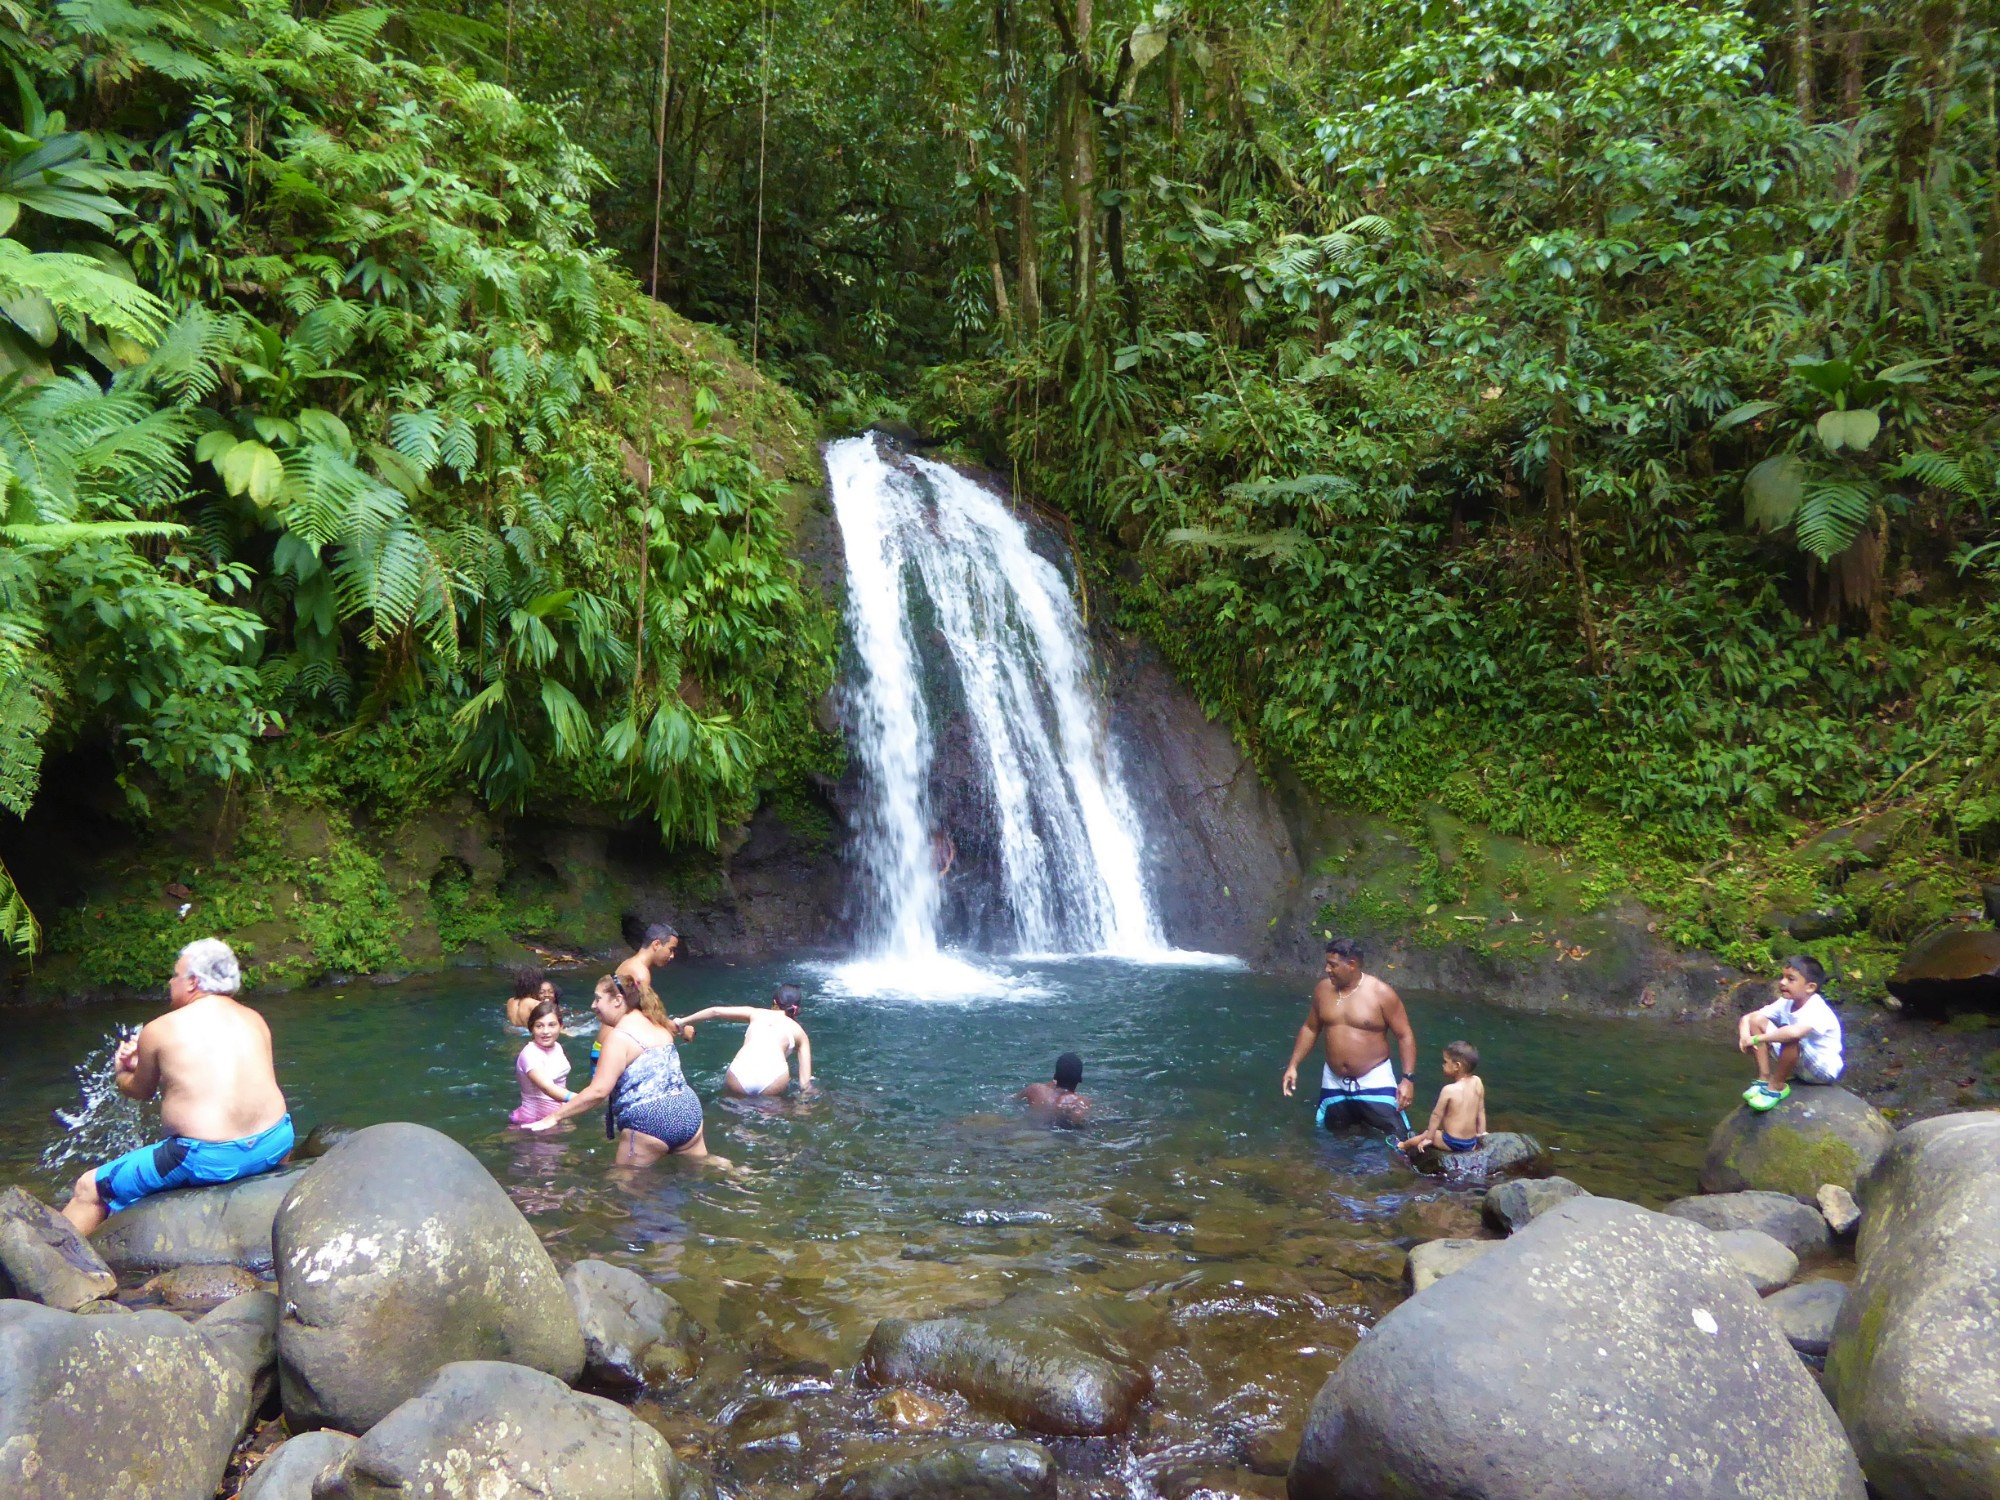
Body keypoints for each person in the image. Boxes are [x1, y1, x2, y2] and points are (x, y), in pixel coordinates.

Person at [60, 938, 292, 1235]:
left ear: (193, 982)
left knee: (88, 1189)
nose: (171, 982)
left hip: (207, 1157)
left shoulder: (160, 1028)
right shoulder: (254, 1019)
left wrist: (122, 1071)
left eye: (175, 975)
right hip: (275, 1143)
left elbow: (139, 1090)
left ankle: (46, 1268)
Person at [526, 974, 709, 1162]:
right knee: (702, 1165)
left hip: (651, 1119)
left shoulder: (619, 1037)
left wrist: (554, 1117)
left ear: (617, 1000)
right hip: (688, 1108)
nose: (593, 1005)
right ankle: (736, 1174)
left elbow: (598, 1091)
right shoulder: (656, 1022)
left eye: (598, 999)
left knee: (625, 1185)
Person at [1280, 937, 1418, 1134]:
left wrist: (1407, 1080)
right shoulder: (1322, 990)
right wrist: (1293, 1065)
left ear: (1351, 964)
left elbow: (1404, 1035)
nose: (1327, 969)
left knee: (1398, 1138)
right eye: (1327, 963)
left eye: (1333, 965)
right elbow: (1310, 1028)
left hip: (1374, 1079)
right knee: (1332, 1140)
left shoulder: (1381, 993)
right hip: (1334, 1081)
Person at [1738, 955, 1843, 1110]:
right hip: (1798, 1062)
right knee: (1757, 1020)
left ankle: (1776, 1086)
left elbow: (1794, 1034)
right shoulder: (1786, 1002)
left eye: (1790, 979)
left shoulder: (1817, 1009)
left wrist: (1757, 1039)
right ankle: (1764, 1078)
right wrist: (1745, 1036)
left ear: (1810, 987)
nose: (1782, 982)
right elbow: (1749, 1018)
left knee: (1790, 1036)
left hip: (1822, 1070)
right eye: (1782, 977)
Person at [679, 984, 814, 1097]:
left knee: (734, 1114)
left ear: (774, 1003)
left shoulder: (756, 1013)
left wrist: (682, 1022)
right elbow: (805, 1084)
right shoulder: (799, 1033)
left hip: (740, 1072)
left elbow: (715, 1012)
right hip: (773, 1077)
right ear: (796, 1010)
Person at [605, 923, 681, 1066]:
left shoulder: (628, 963)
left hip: (606, 1044)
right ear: (656, 944)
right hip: (614, 1051)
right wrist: (681, 1028)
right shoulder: (640, 973)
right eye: (671, 950)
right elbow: (649, 1014)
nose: (672, 956)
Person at [1399, 1040, 1486, 1155]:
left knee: (1426, 1134)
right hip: (1471, 1143)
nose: (1442, 1065)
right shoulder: (1477, 1082)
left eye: (1445, 1062)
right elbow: (1481, 1110)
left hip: (1452, 1143)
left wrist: (1429, 1138)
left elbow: (1436, 1116)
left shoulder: (1449, 1090)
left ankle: (1402, 1146)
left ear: (1457, 1066)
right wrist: (1481, 1133)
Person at [509, 999, 574, 1126]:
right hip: (532, 1123)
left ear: (561, 1027)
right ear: (531, 1028)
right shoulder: (529, 1054)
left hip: (556, 1117)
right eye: (539, 1026)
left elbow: (561, 1085)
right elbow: (547, 1087)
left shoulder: (557, 1047)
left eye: (552, 1025)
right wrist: (582, 1099)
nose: (545, 1031)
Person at [1019, 1052, 1089, 1124]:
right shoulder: (1080, 1102)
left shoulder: (1035, 1089)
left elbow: (1012, 1099)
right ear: (1080, 1079)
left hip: (1030, 1130)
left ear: (1055, 1076)